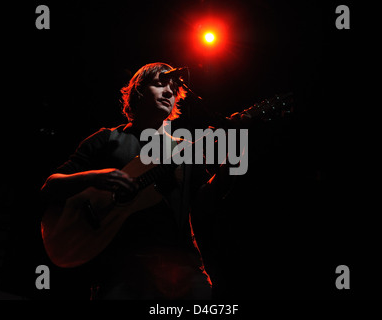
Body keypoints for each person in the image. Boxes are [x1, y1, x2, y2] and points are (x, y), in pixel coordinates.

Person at [40, 62, 241, 300]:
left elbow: (207, 201)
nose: (169, 92)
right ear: (138, 90)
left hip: (182, 268)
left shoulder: (185, 149)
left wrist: (233, 157)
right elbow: (51, 185)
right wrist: (96, 177)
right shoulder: (108, 139)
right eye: (159, 84)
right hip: (121, 269)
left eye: (174, 89)